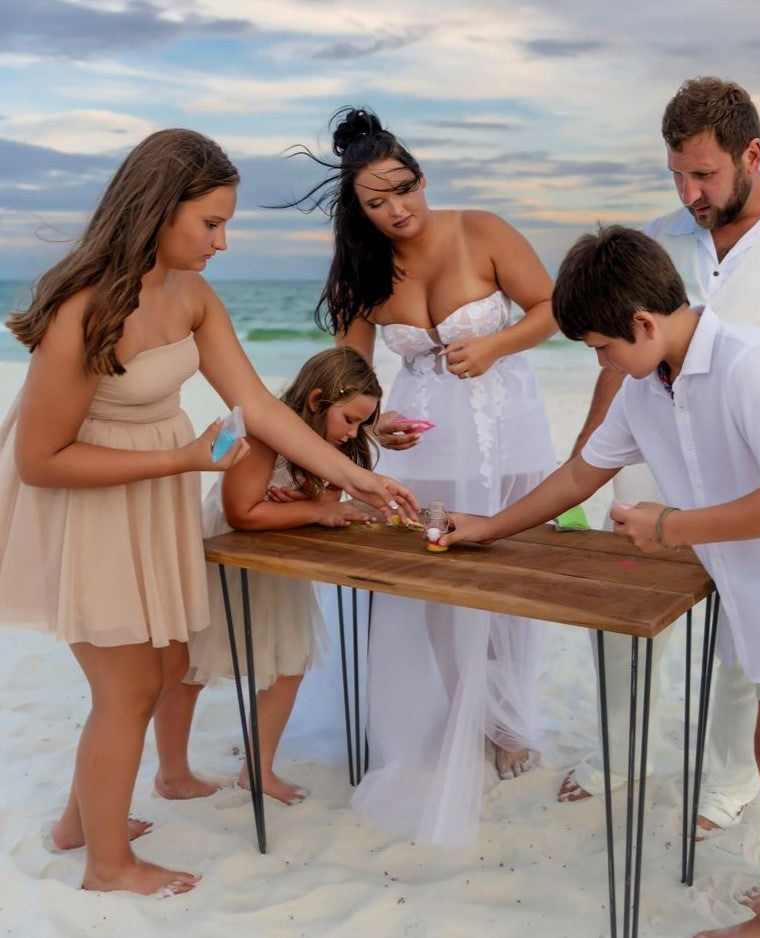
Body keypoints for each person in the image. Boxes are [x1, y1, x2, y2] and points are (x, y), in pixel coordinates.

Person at [441, 225, 760, 938]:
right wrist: (490, 526)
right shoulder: (646, 385)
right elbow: (578, 475)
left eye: (602, 347)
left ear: (644, 322)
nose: (603, 362)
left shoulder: (752, 364)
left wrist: (671, 526)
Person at [0, 129, 417, 897]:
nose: (223, 242)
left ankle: (74, 826)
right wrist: (182, 460)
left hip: (150, 492)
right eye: (211, 224)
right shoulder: (83, 308)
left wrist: (347, 478)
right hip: (88, 501)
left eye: (227, 224)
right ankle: (106, 866)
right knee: (126, 688)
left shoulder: (191, 296)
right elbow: (40, 460)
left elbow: (256, 404)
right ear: (158, 213)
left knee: (160, 667)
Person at [559, 77, 760, 833]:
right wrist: (582, 459)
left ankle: (728, 780)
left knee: (750, 638)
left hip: (757, 480)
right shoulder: (656, 238)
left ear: (752, 154)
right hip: (655, 463)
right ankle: (620, 754)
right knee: (622, 613)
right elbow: (617, 365)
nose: (690, 190)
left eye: (704, 173)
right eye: (677, 172)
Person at [287, 106, 558, 845]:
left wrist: (497, 344)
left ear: (421, 176)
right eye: (377, 202)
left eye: (404, 189)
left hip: (510, 430)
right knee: (440, 587)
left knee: (506, 577)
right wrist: (374, 425)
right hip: (426, 441)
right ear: (359, 208)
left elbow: (551, 307)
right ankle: (457, 707)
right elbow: (349, 375)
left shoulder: (483, 230)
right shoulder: (366, 269)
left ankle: (504, 719)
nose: (397, 210)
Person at [153, 347, 382, 806]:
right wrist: (308, 508)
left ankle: (257, 770)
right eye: (350, 419)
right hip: (224, 554)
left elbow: (327, 501)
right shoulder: (262, 435)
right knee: (191, 667)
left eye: (362, 424)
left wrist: (299, 508)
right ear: (316, 401)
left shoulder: (333, 446)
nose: (354, 433)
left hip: (278, 561)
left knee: (288, 666)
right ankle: (171, 774)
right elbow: (242, 514)